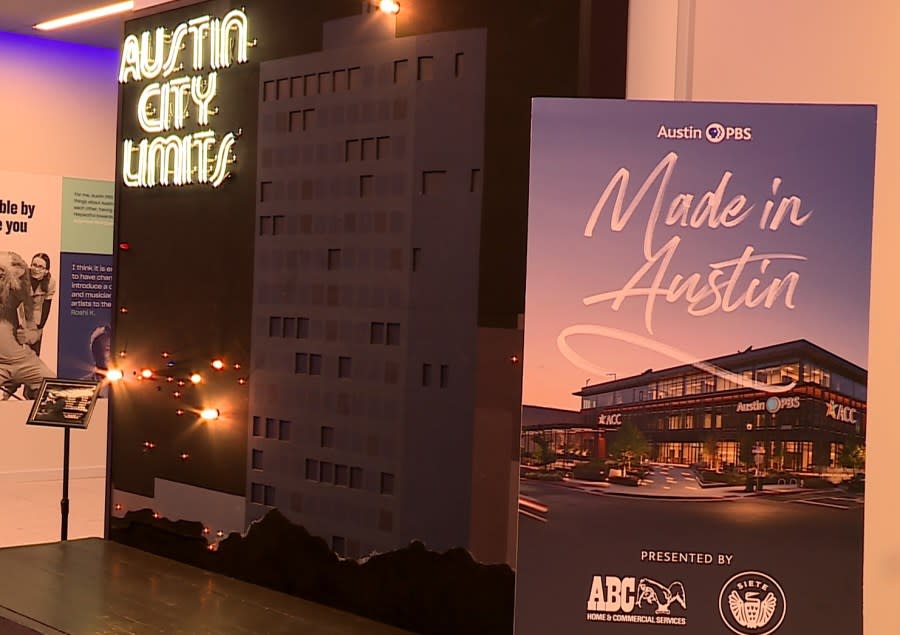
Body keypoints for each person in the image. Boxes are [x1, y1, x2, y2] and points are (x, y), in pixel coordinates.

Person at [0, 251, 54, 399]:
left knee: (54, 387)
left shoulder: (23, 301)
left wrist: (29, 336)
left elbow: (34, 334)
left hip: (24, 361)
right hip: (1, 365)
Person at [17, 253, 56, 356]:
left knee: (33, 354)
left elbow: (47, 306)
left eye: (40, 267)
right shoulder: (22, 277)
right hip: (20, 319)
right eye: (34, 265)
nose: (36, 269)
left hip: (36, 322)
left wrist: (40, 327)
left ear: (46, 270)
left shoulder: (50, 283)